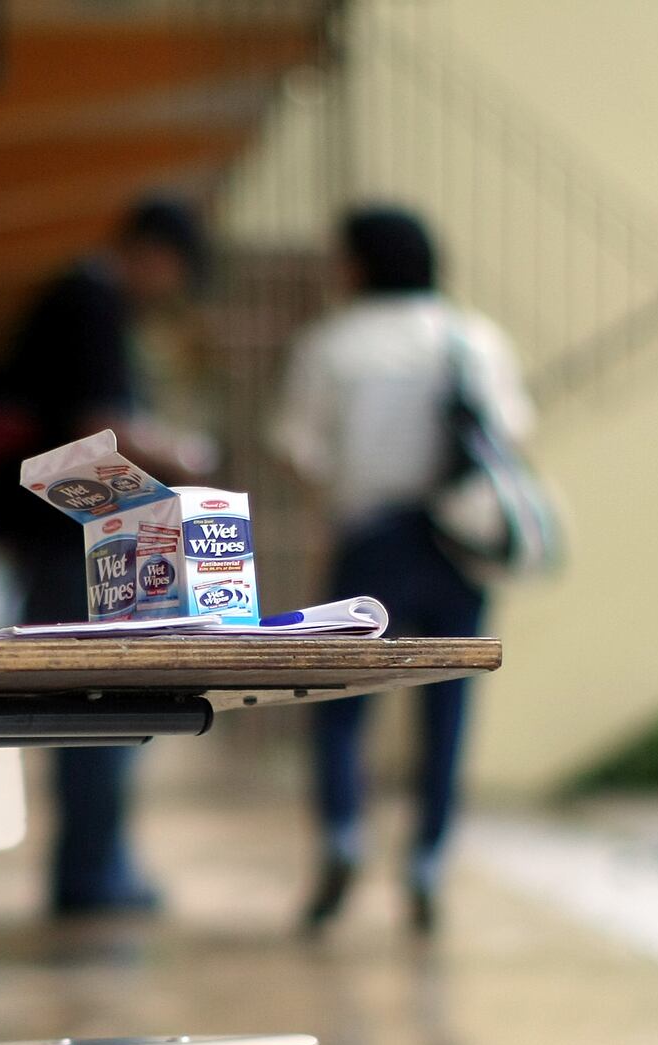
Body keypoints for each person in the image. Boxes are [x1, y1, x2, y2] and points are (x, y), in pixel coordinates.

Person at [271, 205, 534, 938]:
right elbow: (512, 431)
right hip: (459, 540)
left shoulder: (332, 344)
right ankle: (427, 858)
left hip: (371, 539)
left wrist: (334, 507)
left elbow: (301, 450)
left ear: (358, 263)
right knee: (447, 705)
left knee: (336, 699)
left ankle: (343, 833)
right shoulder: (472, 337)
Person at [0, 198, 215, 919]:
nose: (169, 292)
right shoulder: (92, 300)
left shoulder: (74, 298)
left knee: (93, 706)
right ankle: (92, 872)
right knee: (102, 703)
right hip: (80, 538)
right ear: (156, 254)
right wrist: (186, 458)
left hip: (66, 535)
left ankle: (95, 865)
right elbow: (98, 431)